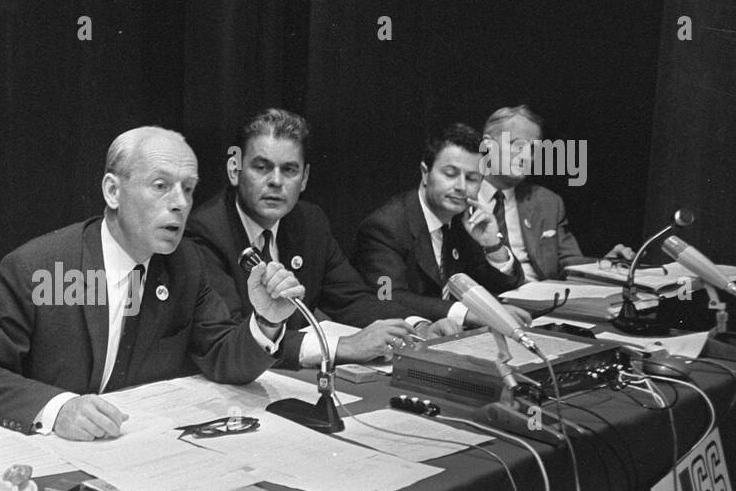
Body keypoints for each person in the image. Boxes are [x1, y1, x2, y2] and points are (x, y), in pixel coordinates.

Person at [0, 126, 307, 440]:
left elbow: (222, 359)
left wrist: (266, 322)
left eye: (189, 188)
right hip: (46, 450)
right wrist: (58, 409)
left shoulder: (186, 265)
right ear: (113, 192)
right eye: (161, 185)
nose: (180, 204)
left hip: (137, 452)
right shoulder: (39, 267)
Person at [184, 108, 459, 366]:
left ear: (304, 179)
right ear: (235, 170)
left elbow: (352, 299)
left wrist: (415, 327)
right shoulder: (206, 232)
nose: (276, 181)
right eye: (262, 167)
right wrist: (341, 346)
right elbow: (232, 337)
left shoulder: (309, 221)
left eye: (289, 170)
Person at [352, 123, 528, 325]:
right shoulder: (385, 227)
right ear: (425, 173)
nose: (461, 187)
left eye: (472, 178)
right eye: (450, 174)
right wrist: (466, 313)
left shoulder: (465, 221)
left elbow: (503, 284)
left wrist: (493, 246)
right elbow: (388, 295)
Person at [478, 104, 634, 281]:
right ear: (488, 145)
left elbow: (568, 263)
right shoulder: (459, 199)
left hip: (541, 301)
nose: (526, 157)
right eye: (517, 145)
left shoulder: (547, 202)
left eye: (533, 149)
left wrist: (605, 266)